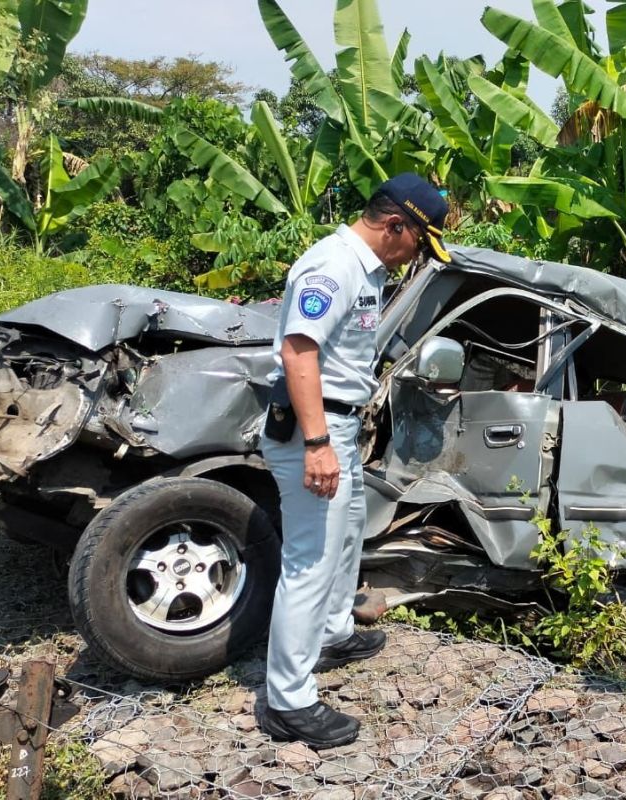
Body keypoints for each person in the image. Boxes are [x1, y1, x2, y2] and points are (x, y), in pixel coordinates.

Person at [259, 173, 451, 750]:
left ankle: (336, 631)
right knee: (310, 559)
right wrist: (317, 445)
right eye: (419, 240)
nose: (417, 252)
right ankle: (287, 701)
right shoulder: (333, 266)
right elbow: (299, 350)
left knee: (343, 540)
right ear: (396, 225)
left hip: (338, 424)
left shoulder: (363, 268)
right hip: (314, 430)